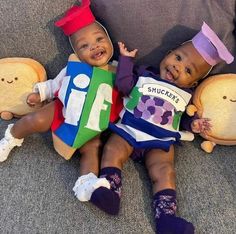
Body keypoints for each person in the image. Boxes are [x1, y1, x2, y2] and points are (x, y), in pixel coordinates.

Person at [80, 22, 233, 234]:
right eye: (178, 58)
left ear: (194, 83)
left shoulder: (186, 95)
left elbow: (182, 120)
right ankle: (110, 192)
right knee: (112, 149)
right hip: (130, 130)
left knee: (165, 170)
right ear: (169, 53)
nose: (177, 67)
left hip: (160, 142)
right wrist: (126, 61)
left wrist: (194, 124)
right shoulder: (144, 74)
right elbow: (124, 86)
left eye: (188, 70)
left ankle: (166, 218)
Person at [0, 0, 117, 196]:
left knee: (92, 147)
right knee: (35, 118)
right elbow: (56, 83)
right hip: (63, 110)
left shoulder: (118, 71)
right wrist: (41, 94)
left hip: (92, 124)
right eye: (84, 46)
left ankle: (85, 182)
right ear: (77, 53)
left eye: (99, 39)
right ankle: (11, 138)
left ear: (109, 40)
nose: (94, 47)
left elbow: (129, 91)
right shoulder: (74, 67)